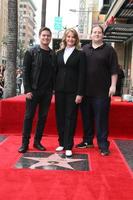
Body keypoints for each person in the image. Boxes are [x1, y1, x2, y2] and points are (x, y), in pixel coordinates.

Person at [76, 24, 118, 156]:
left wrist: (113, 86)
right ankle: (88, 141)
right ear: (90, 35)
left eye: (99, 32)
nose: (97, 34)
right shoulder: (84, 49)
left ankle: (103, 145)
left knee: (101, 119)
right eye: (94, 32)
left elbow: (114, 70)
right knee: (87, 118)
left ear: (103, 35)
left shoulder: (110, 50)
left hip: (102, 92)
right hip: (86, 92)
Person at [18, 27, 55, 153]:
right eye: (44, 35)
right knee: (28, 117)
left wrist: (52, 89)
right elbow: (25, 72)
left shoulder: (52, 54)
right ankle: (24, 143)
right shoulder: (31, 52)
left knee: (43, 117)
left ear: (50, 38)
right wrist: (27, 90)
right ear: (40, 36)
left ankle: (37, 142)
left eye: (48, 36)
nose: (46, 38)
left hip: (47, 92)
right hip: (33, 91)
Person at [55, 28, 86, 157]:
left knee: (70, 117)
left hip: (73, 92)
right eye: (68, 37)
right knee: (60, 117)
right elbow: (55, 71)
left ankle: (68, 145)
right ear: (65, 38)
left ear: (76, 39)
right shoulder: (58, 53)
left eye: (73, 37)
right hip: (59, 90)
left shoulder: (80, 54)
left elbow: (82, 75)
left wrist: (80, 93)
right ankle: (61, 142)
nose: (70, 39)